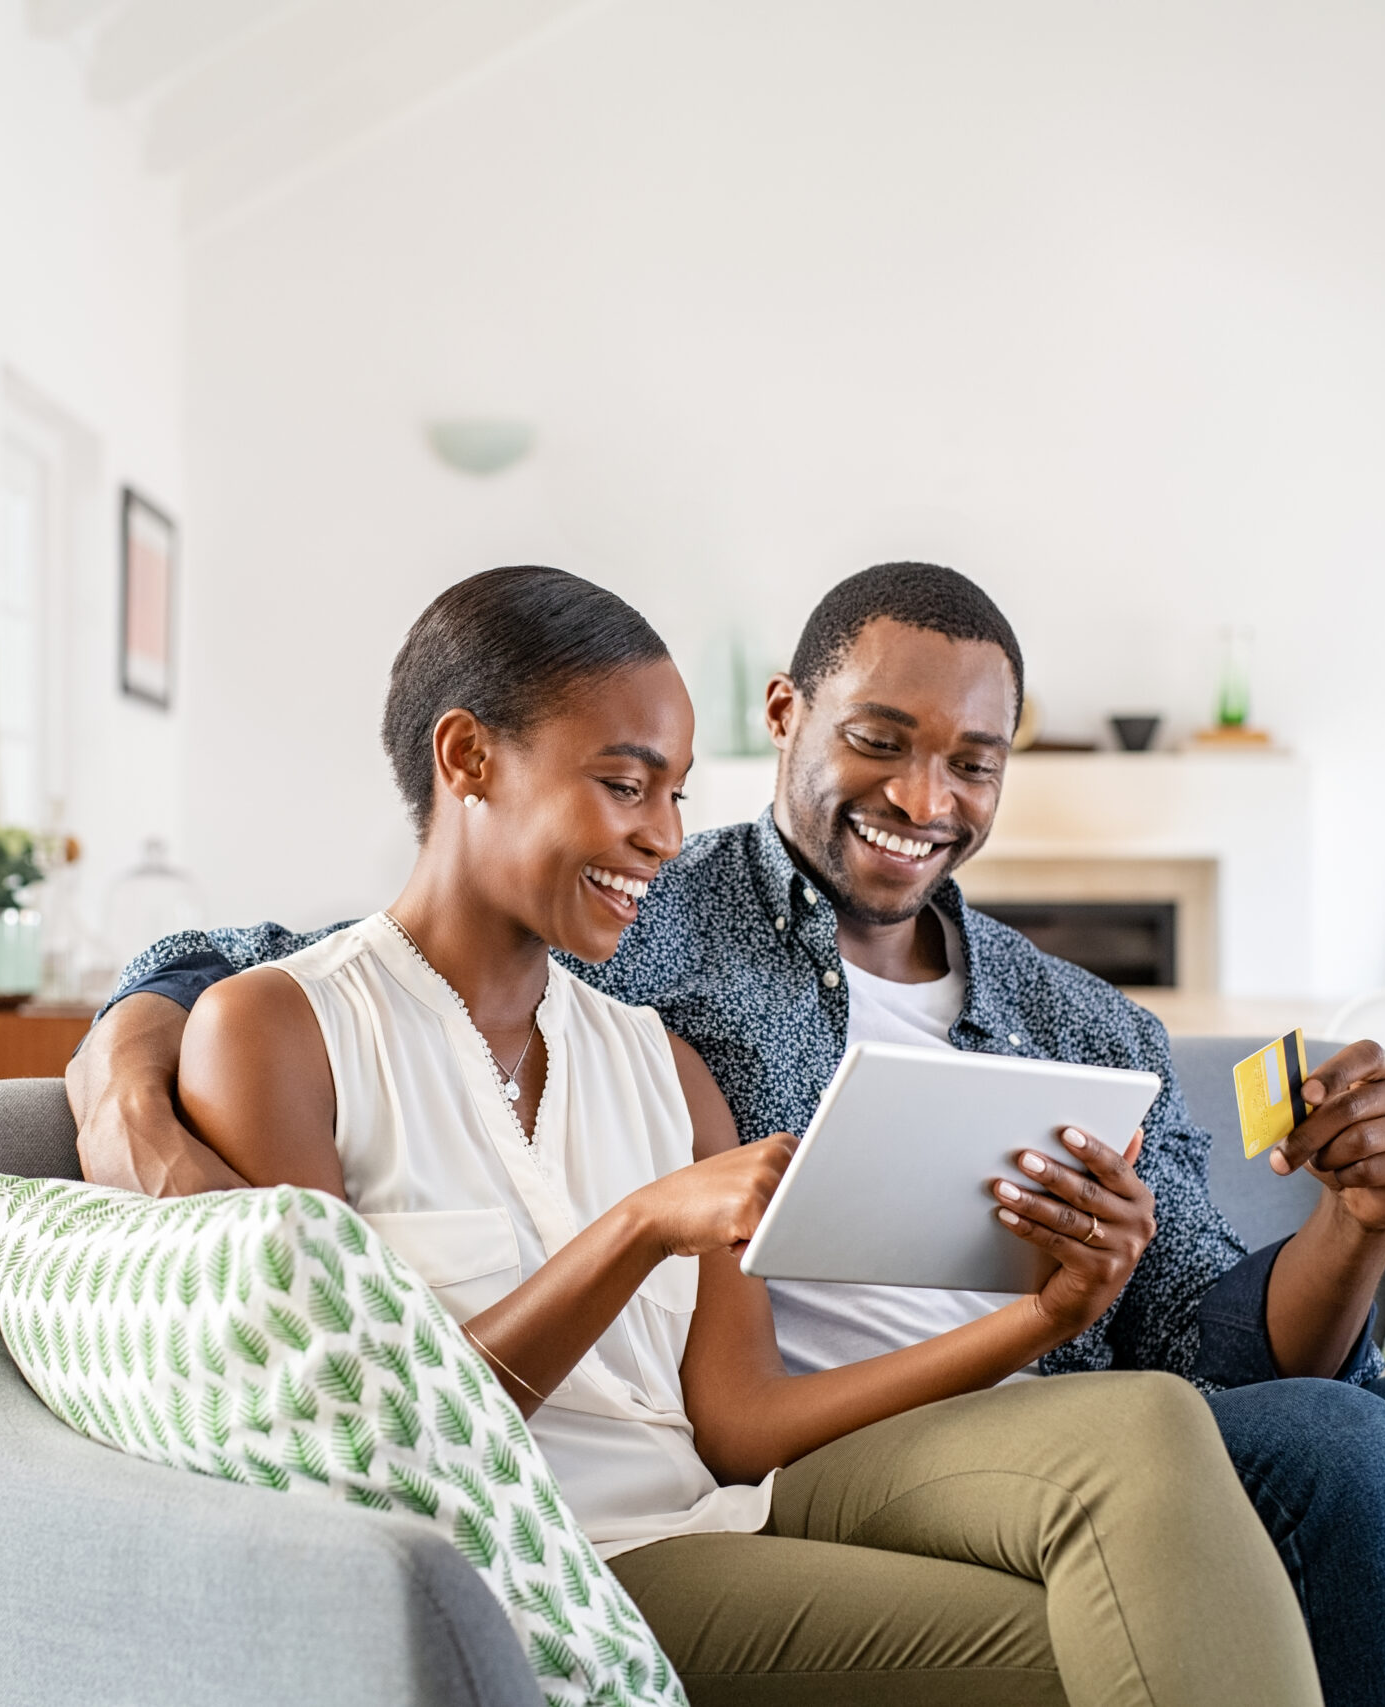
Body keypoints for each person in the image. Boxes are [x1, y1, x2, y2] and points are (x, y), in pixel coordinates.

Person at [74, 562, 1385, 1707]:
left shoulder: (1081, 1021)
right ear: (790, 722)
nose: (923, 796)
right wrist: (134, 1041)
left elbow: (1207, 1341)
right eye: (880, 740)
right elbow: (337, 948)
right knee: (1327, 1455)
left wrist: (1357, 1217)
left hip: (1111, 1418)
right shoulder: (675, 920)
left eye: (974, 760)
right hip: (854, 1464)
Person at [169, 565, 1322, 1705]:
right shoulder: (278, 1032)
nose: (665, 837)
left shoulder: (662, 1067)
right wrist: (634, 1229)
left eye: (674, 794)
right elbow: (364, 1452)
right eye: (626, 786)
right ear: (468, 758)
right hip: (545, 1575)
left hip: (721, 1518)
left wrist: (1047, 1314)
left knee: (1147, 1483)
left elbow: (738, 1428)